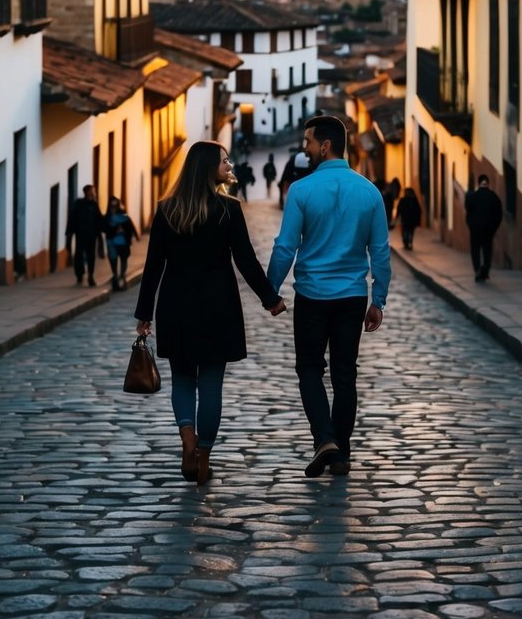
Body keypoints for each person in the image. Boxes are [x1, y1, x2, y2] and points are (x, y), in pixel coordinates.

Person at [135, 142, 286, 486]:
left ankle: (186, 440)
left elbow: (153, 267)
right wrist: (270, 298)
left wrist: (144, 313)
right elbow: (245, 259)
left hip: (175, 306)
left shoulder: (166, 210)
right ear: (207, 168)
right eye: (223, 161)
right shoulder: (228, 210)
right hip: (218, 307)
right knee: (212, 384)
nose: (229, 164)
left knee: (184, 380)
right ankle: (203, 456)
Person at [267, 114, 391, 478]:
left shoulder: (302, 192)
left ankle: (325, 438)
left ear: (324, 145)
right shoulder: (369, 192)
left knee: (309, 368)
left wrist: (270, 289)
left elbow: (285, 247)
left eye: (307, 143)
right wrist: (377, 300)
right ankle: (341, 453)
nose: (304, 150)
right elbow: (380, 252)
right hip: (352, 297)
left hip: (312, 296)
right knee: (344, 375)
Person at [464, 173, 503, 282]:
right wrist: (494, 228)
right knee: (487, 250)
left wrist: (470, 225)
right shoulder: (494, 197)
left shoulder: (471, 197)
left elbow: (468, 211)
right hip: (488, 229)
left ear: (479, 183)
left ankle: (477, 270)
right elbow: (499, 214)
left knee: (475, 249)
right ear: (488, 183)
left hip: (475, 229)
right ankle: (485, 271)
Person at [66, 184, 103, 287]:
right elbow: (72, 218)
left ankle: (91, 275)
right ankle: (79, 274)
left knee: (91, 256)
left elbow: (99, 219)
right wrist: (69, 232)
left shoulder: (94, 205)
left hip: (91, 235)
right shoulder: (78, 204)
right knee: (79, 255)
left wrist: (100, 231)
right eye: (93, 190)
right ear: (87, 192)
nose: (94, 192)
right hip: (80, 234)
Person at [104, 196, 136, 291]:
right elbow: (106, 228)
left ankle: (122, 276)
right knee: (113, 260)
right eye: (112, 205)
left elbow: (130, 227)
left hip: (123, 242)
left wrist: (127, 234)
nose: (113, 207)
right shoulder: (107, 217)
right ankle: (115, 276)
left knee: (123, 259)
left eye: (115, 205)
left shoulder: (123, 215)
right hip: (111, 242)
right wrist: (115, 229)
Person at [397, 186, 422, 251]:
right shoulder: (411, 200)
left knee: (408, 231)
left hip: (408, 220)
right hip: (408, 219)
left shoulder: (411, 200)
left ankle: (407, 243)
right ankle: (407, 243)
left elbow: (418, 210)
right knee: (408, 232)